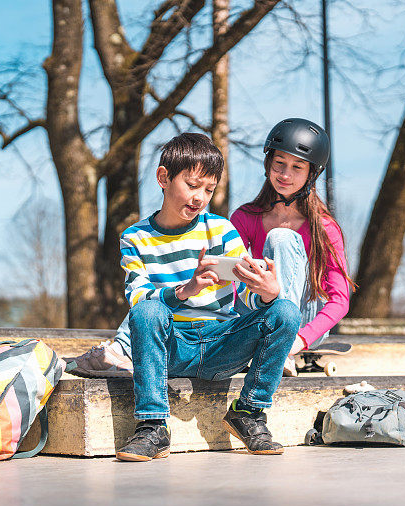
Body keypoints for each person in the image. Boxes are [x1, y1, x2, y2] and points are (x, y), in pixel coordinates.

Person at [83, 132, 300, 461]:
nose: (200, 197)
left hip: (220, 343)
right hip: (171, 345)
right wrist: (186, 290)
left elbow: (246, 299)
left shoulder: (222, 231)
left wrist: (266, 295)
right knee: (146, 313)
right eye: (192, 184)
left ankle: (249, 412)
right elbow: (139, 299)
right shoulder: (136, 237)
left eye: (209, 190)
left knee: (285, 311)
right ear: (163, 178)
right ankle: (153, 426)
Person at [231, 118, 356, 376]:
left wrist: (301, 339)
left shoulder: (324, 227)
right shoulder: (244, 217)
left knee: (282, 238)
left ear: (312, 173)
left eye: (297, 167)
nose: (285, 175)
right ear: (268, 164)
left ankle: (281, 346)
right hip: (256, 312)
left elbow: (340, 299)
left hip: (302, 323)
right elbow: (231, 284)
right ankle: (265, 344)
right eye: (279, 163)